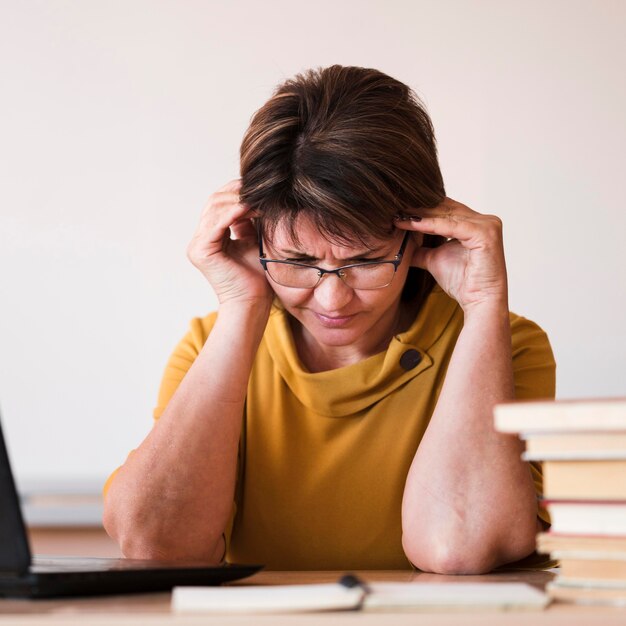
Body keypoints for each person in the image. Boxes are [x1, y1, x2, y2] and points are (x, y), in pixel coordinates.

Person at [103, 65, 555, 574]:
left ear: (422, 238)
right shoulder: (211, 343)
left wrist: (483, 302)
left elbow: (462, 546)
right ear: (253, 239)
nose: (333, 300)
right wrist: (241, 307)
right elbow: (155, 545)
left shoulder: (505, 343)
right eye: (296, 263)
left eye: (365, 261)